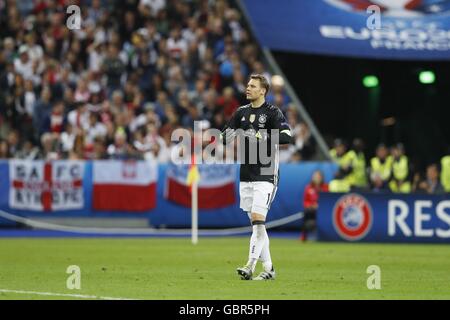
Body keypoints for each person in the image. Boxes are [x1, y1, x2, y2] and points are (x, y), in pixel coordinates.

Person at [220, 74, 293, 281]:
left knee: (258, 221)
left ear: (263, 91)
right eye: (248, 85)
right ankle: (269, 268)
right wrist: (227, 136)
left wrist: (263, 135)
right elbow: (224, 137)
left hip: (266, 173)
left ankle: (250, 265)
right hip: (246, 174)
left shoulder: (272, 113)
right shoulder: (241, 112)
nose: (248, 88)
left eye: (252, 86)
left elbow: (287, 136)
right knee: (257, 225)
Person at [301, 170, 328, 242]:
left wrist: (320, 206)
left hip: (323, 210)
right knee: (306, 212)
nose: (316, 178)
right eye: (315, 176)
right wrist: (311, 206)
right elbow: (305, 201)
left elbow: (328, 200)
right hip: (311, 210)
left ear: (321, 177)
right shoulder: (308, 187)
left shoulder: (326, 187)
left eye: (318, 176)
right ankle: (304, 236)